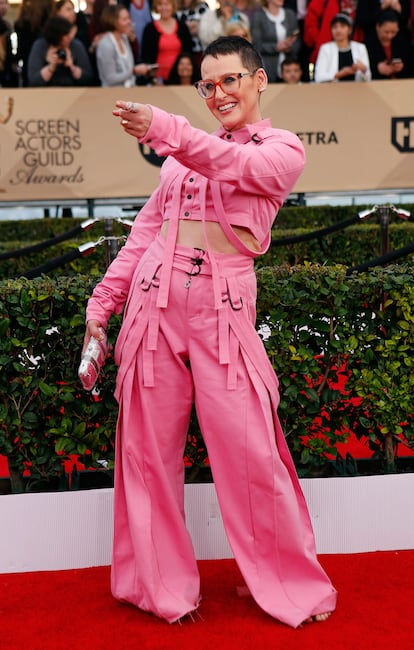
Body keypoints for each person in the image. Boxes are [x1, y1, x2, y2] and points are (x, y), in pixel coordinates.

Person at [83, 35, 337, 627]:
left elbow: (231, 163)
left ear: (258, 80)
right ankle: (161, 590)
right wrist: (103, 305)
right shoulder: (178, 159)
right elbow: (145, 234)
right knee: (147, 453)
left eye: (229, 80)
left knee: (251, 454)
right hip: (152, 305)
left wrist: (163, 127)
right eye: (208, 84)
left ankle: (287, 585)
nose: (218, 93)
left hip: (222, 313)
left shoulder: (281, 149)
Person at [96, 4, 155, 86]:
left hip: (130, 90)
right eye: (124, 19)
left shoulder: (124, 39)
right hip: (112, 94)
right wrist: (134, 71)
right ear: (113, 21)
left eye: (129, 18)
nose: (129, 22)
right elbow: (110, 79)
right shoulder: (106, 45)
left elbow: (128, 69)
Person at [27, 15, 93, 86]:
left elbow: (88, 78)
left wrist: (72, 67)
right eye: (66, 34)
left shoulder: (76, 45)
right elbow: (33, 81)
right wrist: (51, 67)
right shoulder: (40, 46)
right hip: (45, 93)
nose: (69, 37)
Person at [141, 0, 193, 83]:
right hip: (158, 80)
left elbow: (189, 53)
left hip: (180, 79)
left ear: (173, 6)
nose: (164, 8)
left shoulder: (182, 27)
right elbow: (146, 57)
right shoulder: (149, 29)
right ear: (156, 7)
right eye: (160, 4)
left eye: (167, 4)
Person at [251, 0, 301, 82]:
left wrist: (289, 46)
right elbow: (256, 44)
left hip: (289, 67)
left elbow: (297, 40)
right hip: (268, 66)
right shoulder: (258, 16)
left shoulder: (290, 14)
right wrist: (276, 47)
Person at [314, 12, 371, 81]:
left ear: (350, 30)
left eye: (342, 26)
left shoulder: (360, 48)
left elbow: (368, 78)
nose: (338, 30)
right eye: (335, 27)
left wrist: (363, 70)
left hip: (357, 90)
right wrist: (339, 74)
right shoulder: (325, 49)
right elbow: (318, 77)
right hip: (332, 90)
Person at [303, 0, 359, 67]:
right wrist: (320, 43)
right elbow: (310, 25)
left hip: (354, 50)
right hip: (325, 51)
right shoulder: (321, 2)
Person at [14, 0, 55, 86]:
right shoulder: (49, 19)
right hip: (47, 61)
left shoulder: (21, 23)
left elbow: (20, 51)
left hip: (28, 65)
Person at [365, 8, 413, 78]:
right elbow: (363, 70)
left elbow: (410, 64)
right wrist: (376, 68)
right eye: (386, 32)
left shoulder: (403, 43)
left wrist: (402, 66)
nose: (389, 36)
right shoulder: (367, 45)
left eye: (393, 32)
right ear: (378, 27)